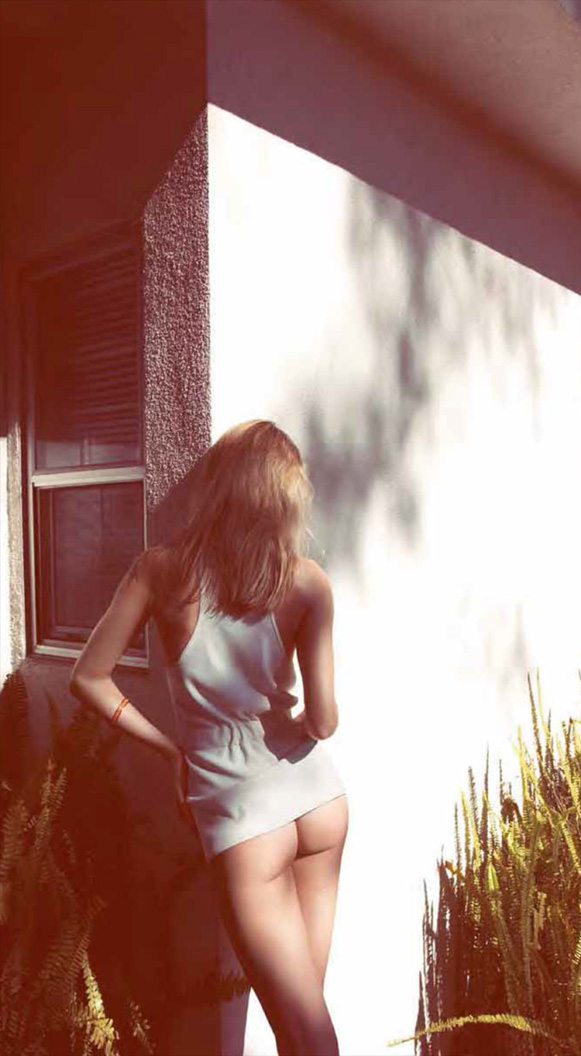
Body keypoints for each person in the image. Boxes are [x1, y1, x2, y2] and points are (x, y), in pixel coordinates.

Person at [70, 419, 348, 1056]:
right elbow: (324, 722)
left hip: (245, 823)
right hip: (318, 802)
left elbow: (89, 677)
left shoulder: (161, 574)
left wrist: (173, 749)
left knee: (305, 1032)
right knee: (302, 1024)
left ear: (218, 486)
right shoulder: (307, 582)